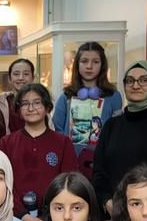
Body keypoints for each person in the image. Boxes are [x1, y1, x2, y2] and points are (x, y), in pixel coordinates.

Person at [0, 83, 81, 221]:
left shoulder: (63, 143)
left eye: (37, 103)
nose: (31, 108)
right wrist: (23, 216)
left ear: (47, 107)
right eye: (25, 104)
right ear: (18, 109)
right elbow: (2, 184)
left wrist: (48, 218)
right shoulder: (7, 143)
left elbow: (69, 185)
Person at [93, 61, 147, 205]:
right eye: (130, 81)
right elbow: (99, 171)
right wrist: (107, 202)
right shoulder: (112, 125)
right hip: (113, 210)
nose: (135, 85)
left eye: (143, 80)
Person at [52, 42, 123, 178]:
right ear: (77, 64)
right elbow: (57, 130)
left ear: (102, 65)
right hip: (70, 164)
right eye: (84, 61)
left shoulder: (113, 96)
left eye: (95, 62)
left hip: (103, 164)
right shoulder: (66, 96)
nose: (89, 66)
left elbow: (117, 132)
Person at [0, 57, 37, 129]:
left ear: (33, 78)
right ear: (9, 78)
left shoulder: (41, 102)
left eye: (26, 74)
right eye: (16, 74)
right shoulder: (0, 102)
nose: (21, 78)